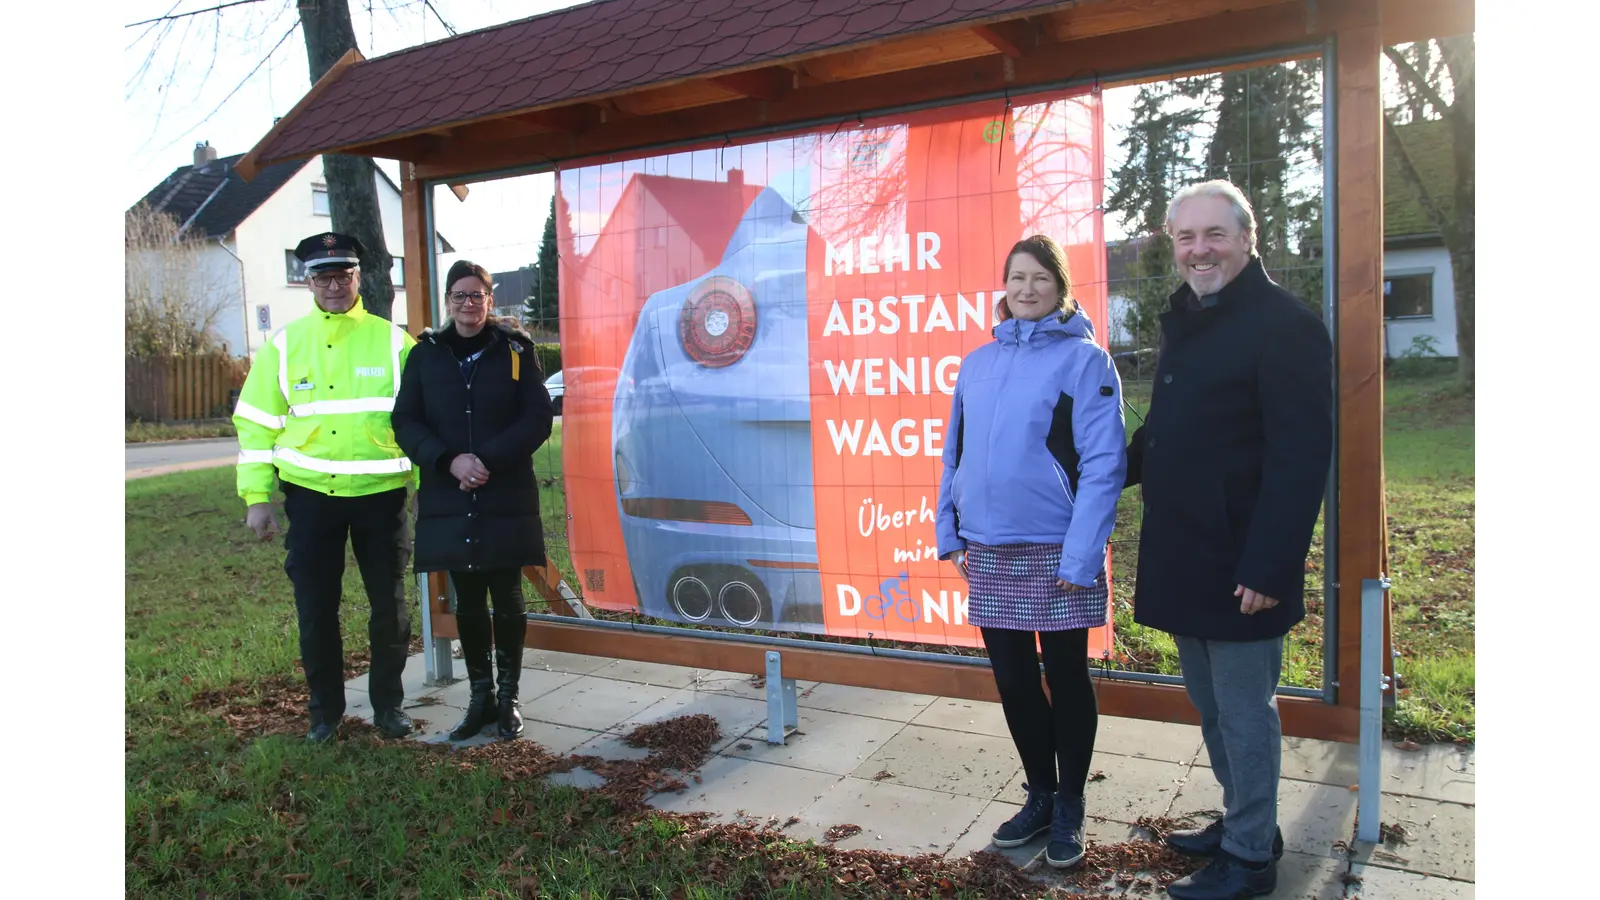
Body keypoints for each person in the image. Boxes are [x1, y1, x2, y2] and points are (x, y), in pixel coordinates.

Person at [1123, 180, 1333, 900]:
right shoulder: (1189, 318)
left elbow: (1301, 457)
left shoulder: (1285, 324)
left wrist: (1272, 563)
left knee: (1245, 714)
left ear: (1247, 238)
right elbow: (1166, 433)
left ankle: (1249, 862)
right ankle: (1247, 820)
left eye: (1214, 234)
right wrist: (1092, 474)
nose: (1198, 250)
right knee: (1211, 707)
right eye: (1185, 238)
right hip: (1185, 553)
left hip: (1244, 563)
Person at [935, 235, 1127, 869]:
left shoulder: (1087, 362)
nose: (1026, 288)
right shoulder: (977, 362)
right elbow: (953, 454)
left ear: (1061, 286)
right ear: (1004, 285)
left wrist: (1080, 559)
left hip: (1058, 550)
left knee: (1066, 678)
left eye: (1040, 277)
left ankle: (1070, 802)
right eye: (1016, 277)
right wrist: (949, 531)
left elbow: (1104, 465)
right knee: (1015, 681)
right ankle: (1039, 794)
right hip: (989, 548)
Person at [233, 231, 418, 744]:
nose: (334, 285)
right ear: (308, 281)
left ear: (359, 277)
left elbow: (422, 420)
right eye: (323, 276)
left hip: (381, 499)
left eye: (344, 275)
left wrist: (425, 486)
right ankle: (325, 714)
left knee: (390, 608)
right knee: (316, 611)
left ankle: (388, 707)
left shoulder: (391, 340)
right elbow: (255, 425)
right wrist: (256, 498)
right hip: (311, 499)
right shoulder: (285, 345)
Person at [392, 260, 555, 742]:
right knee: (466, 598)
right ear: (448, 302)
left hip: (503, 490)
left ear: (490, 299)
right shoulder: (426, 356)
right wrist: (449, 462)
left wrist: (484, 460)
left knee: (506, 594)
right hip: (449, 493)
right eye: (460, 296)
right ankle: (479, 696)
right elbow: (406, 423)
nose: (469, 304)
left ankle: (509, 699)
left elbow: (537, 418)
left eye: (478, 295)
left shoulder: (516, 351)